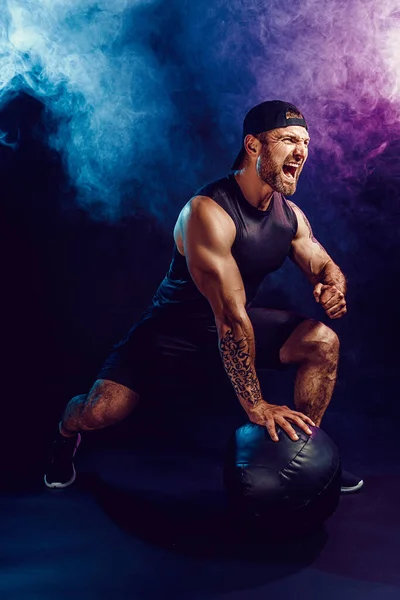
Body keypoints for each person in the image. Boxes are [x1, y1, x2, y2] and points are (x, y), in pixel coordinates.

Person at [44, 100, 363, 493]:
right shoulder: (207, 212)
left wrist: (333, 286)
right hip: (170, 334)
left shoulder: (290, 216)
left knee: (322, 342)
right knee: (97, 412)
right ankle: (63, 434)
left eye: (305, 142)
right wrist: (256, 406)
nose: (301, 152)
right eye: (287, 140)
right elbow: (230, 318)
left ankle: (311, 462)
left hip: (232, 326)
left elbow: (323, 263)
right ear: (253, 145)